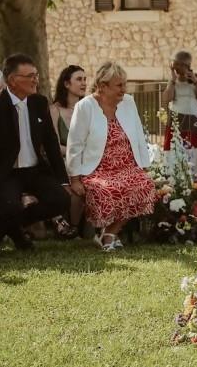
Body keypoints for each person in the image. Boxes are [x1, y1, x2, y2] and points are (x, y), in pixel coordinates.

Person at [0, 54, 71, 254]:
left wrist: (63, 180)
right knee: (11, 207)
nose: (36, 79)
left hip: (34, 170)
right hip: (6, 173)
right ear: (13, 80)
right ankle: (16, 234)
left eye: (36, 75)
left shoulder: (39, 102)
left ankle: (2, 226)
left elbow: (51, 144)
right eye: (30, 76)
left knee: (61, 200)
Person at [66, 61, 157, 251]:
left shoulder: (128, 102)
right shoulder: (85, 106)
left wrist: (144, 165)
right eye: (119, 85)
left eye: (124, 84)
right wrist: (75, 179)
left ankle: (109, 233)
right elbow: (75, 144)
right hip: (97, 169)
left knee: (144, 185)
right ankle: (108, 236)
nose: (124, 89)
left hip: (127, 166)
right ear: (102, 86)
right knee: (107, 190)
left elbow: (139, 135)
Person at [160, 51, 197, 181]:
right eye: (175, 65)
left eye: (179, 65)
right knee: (175, 151)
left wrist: (195, 81)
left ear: (186, 65)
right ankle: (174, 178)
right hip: (177, 121)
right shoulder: (173, 81)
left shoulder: (196, 78)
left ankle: (195, 180)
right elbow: (167, 98)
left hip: (194, 121)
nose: (177, 69)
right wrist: (172, 80)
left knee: (193, 154)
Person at [50, 65, 87, 231]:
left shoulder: (88, 110)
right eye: (79, 79)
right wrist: (77, 153)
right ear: (66, 84)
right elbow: (53, 145)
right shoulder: (54, 110)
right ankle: (73, 226)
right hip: (64, 160)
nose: (84, 83)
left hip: (88, 158)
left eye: (85, 79)